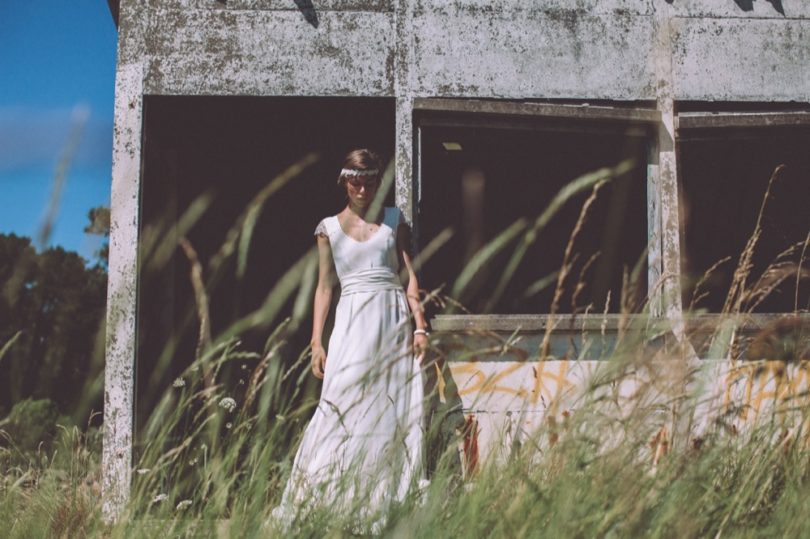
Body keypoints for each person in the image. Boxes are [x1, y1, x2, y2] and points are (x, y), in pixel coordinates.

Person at [272, 149, 429, 530]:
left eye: (370, 179)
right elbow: (325, 287)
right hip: (352, 321)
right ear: (344, 181)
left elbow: (409, 278)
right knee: (341, 401)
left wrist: (420, 325)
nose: (362, 187)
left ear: (377, 181)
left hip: (391, 318)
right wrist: (316, 341)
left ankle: (382, 502)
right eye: (355, 179)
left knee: (389, 406)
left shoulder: (394, 221)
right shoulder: (328, 228)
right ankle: (325, 494)